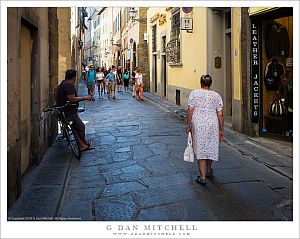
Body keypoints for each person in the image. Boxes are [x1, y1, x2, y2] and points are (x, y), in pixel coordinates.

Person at [186, 74, 224, 185]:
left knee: (200, 147)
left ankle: (202, 177)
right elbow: (220, 114)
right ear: (210, 83)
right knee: (210, 146)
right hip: (212, 123)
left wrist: (188, 125)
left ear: (201, 83)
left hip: (198, 123)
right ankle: (208, 170)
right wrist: (221, 130)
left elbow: (190, 110)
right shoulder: (216, 96)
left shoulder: (194, 93)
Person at [56, 69, 94, 152]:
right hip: (69, 112)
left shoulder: (63, 83)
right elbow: (72, 99)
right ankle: (82, 145)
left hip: (64, 111)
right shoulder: (69, 86)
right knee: (80, 127)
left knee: (78, 127)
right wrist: (85, 97)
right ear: (74, 77)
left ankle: (83, 144)